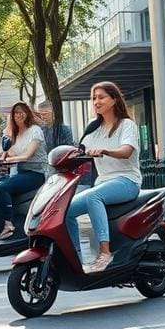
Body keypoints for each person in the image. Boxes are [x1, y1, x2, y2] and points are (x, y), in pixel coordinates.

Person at [66, 82, 142, 273]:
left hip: (127, 181)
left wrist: (106, 150)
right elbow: (79, 151)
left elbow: (126, 151)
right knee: (64, 210)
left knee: (94, 196)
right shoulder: (93, 128)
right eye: (93, 98)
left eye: (101, 97)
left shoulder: (127, 125)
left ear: (114, 99)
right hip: (103, 183)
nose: (96, 102)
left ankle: (105, 252)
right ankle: (76, 260)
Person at [0, 103, 47, 240]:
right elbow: (6, 153)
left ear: (28, 113)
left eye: (22, 111)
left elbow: (27, 155)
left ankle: (8, 224)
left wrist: (8, 160)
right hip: (20, 172)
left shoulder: (35, 130)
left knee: (3, 188)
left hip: (36, 173)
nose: (19, 115)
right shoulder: (14, 134)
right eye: (16, 112)